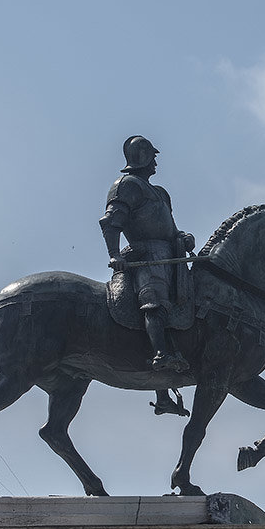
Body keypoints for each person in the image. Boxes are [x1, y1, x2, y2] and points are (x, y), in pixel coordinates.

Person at [100, 135, 195, 415]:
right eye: (151, 156)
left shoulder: (161, 193)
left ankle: (163, 393)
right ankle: (161, 355)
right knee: (154, 301)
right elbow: (110, 222)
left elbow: (171, 227)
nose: (155, 161)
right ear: (140, 157)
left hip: (171, 255)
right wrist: (115, 255)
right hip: (146, 255)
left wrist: (183, 237)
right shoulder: (126, 186)